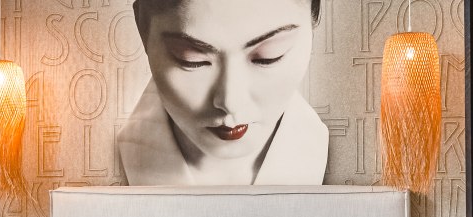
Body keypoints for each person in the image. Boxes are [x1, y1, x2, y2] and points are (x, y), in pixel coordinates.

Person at [118, 0, 328, 186]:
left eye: (268, 57)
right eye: (192, 59)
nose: (230, 102)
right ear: (142, 28)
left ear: (314, 19)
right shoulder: (104, 168)